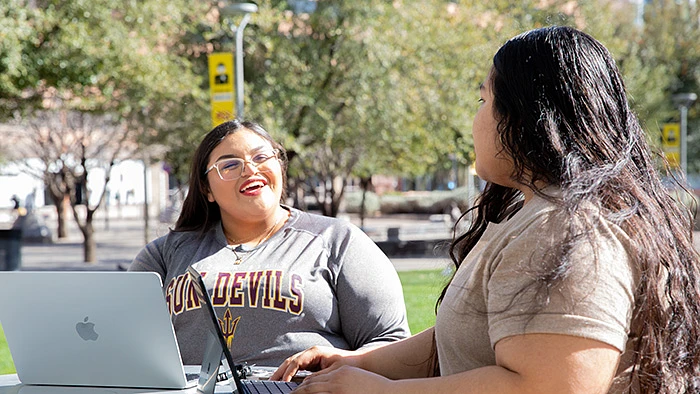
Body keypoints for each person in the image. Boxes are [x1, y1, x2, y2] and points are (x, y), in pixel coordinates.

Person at [271, 26, 700, 393]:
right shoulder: (536, 214)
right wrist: (356, 363)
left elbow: (548, 386)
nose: (475, 120)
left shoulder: (568, 229)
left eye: (483, 101)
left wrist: (381, 391)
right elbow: (461, 338)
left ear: (528, 117)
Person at [128, 119, 410, 367]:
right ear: (206, 189)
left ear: (280, 166)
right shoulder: (165, 254)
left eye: (261, 157)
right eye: (229, 165)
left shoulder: (338, 241)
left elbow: (392, 343)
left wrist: (337, 363)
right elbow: (123, 342)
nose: (250, 169)